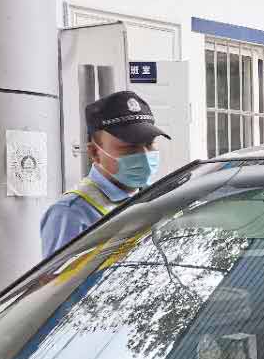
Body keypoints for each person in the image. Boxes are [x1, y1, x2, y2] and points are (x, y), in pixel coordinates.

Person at [40, 89, 169, 257]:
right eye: (130, 148)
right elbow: (61, 281)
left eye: (150, 144)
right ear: (94, 152)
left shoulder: (160, 196)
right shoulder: (71, 214)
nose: (144, 155)